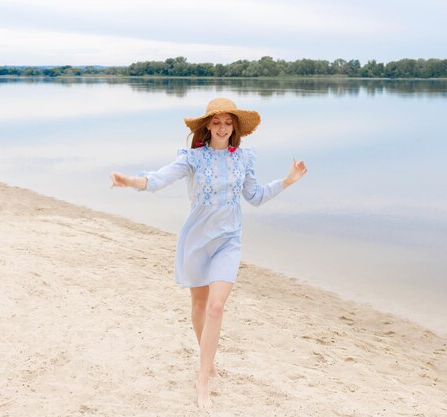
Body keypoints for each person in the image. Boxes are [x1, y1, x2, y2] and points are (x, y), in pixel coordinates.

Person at [110, 97, 307, 409]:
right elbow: (160, 178)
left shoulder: (244, 158)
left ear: (235, 127)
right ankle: (208, 361)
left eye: (229, 123)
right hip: (197, 241)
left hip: (229, 240)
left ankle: (202, 378)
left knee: (217, 308)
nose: (223, 127)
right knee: (200, 306)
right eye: (217, 122)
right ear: (207, 126)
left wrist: (287, 181)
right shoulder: (192, 158)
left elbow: (254, 197)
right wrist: (132, 181)